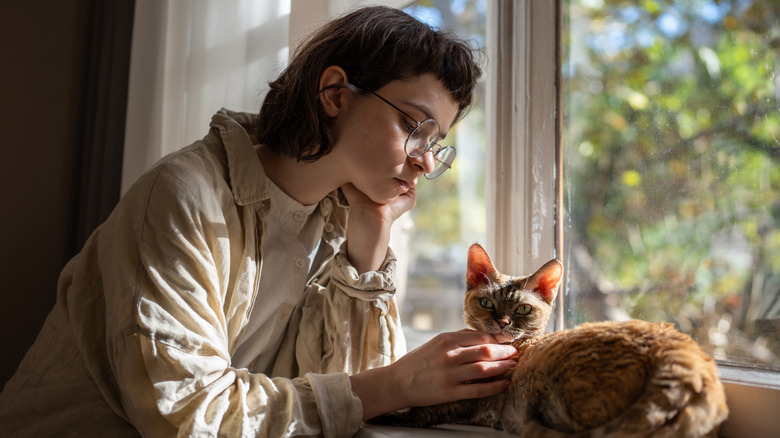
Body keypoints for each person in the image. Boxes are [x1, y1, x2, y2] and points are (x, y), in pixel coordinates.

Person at [0, 6, 517, 437]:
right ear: (335, 94)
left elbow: (351, 401)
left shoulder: (337, 219)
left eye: (436, 143)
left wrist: (369, 243)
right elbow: (186, 413)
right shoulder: (185, 196)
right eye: (414, 126)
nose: (426, 161)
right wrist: (398, 383)